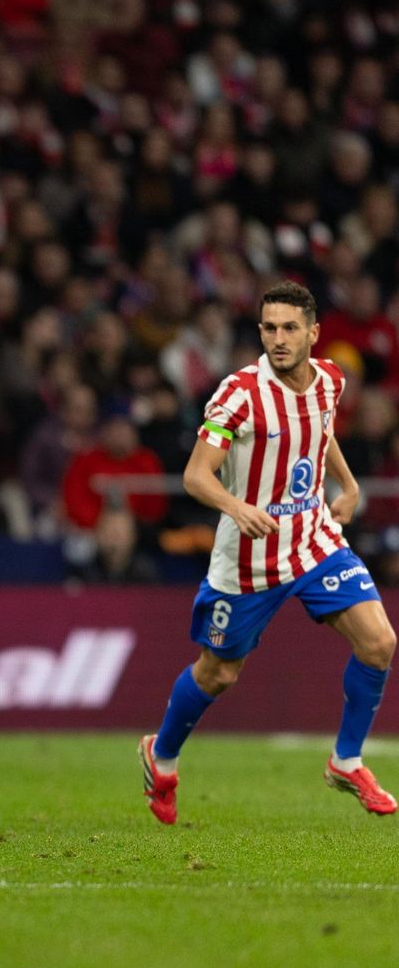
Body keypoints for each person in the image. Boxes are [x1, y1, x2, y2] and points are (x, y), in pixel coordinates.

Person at [140, 280, 399, 823]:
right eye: (268, 328)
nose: (278, 339)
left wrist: (347, 486)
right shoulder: (240, 393)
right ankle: (161, 756)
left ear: (313, 333)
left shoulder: (330, 380)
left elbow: (319, 434)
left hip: (313, 539)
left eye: (288, 328)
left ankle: (346, 761)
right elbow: (195, 475)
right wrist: (235, 507)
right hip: (249, 559)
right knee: (218, 674)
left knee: (379, 642)